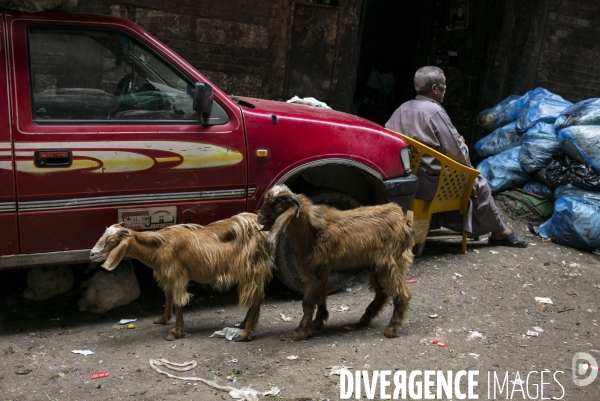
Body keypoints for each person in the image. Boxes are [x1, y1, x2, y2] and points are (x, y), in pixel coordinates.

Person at [385, 66, 528, 247]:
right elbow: (457, 153)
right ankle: (500, 231)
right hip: (430, 182)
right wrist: (462, 142)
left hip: (404, 176)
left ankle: (492, 229)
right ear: (434, 89)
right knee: (477, 181)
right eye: (444, 86)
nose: (445, 91)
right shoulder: (434, 111)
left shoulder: (402, 108)